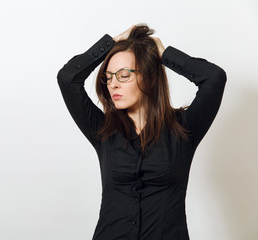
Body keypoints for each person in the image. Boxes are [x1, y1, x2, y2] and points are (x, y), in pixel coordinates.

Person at [56, 23, 226, 240]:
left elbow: (214, 78)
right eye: (108, 77)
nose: (113, 84)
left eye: (123, 75)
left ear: (150, 77)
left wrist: (164, 54)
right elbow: (67, 78)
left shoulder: (184, 128)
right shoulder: (103, 131)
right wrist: (112, 42)